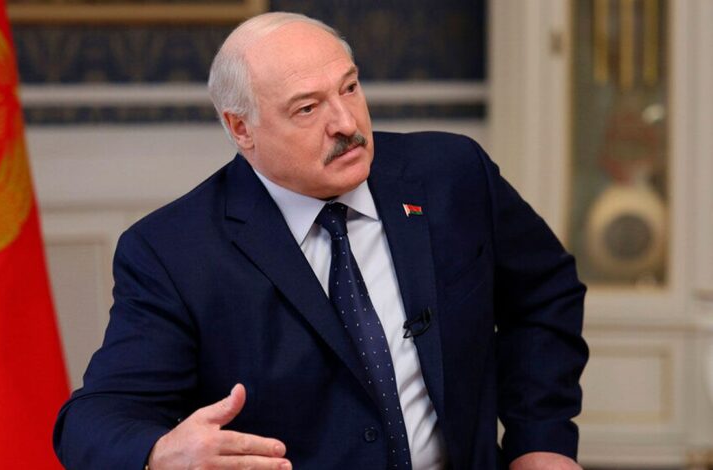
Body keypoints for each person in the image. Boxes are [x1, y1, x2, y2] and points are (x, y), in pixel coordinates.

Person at [53, 12, 588, 470]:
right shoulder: (173, 252)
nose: (346, 122)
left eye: (349, 87)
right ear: (241, 129)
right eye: (307, 109)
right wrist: (158, 452)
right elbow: (94, 418)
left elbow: (545, 293)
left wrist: (541, 441)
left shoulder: (451, 175)